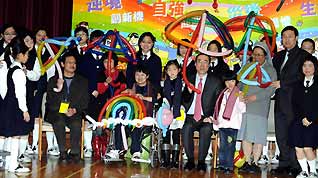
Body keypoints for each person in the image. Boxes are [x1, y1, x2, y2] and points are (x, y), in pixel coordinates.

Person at [271, 26, 311, 176]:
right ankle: (284, 163)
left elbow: (303, 76)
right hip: (279, 100)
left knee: (293, 133)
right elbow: (271, 74)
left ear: (296, 38)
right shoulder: (278, 56)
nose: (287, 39)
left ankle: (296, 165)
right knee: (280, 134)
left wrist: (283, 83)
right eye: (284, 36)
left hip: (294, 101)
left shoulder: (303, 56)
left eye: (290, 36)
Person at [237, 42, 277, 173]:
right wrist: (240, 94)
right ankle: (247, 161)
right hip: (246, 106)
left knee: (258, 136)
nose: (257, 57)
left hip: (260, 106)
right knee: (246, 135)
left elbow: (270, 90)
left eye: (260, 55)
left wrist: (255, 97)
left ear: (265, 56)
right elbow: (240, 84)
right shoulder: (247, 67)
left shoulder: (271, 70)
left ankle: (255, 162)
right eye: (255, 54)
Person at [182, 53, 222, 172]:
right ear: (195, 64)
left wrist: (211, 117)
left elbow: (218, 102)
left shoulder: (215, 81)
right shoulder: (188, 78)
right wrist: (188, 92)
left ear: (209, 65)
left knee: (206, 129)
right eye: (199, 61)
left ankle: (201, 161)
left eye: (205, 62)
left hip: (206, 116)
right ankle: (190, 160)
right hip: (190, 114)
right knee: (187, 128)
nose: (202, 64)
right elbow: (184, 99)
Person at [46, 52, 89, 163]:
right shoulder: (53, 80)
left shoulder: (82, 81)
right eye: (69, 62)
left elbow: (85, 100)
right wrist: (63, 109)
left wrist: (75, 110)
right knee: (59, 121)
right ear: (62, 64)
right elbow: (50, 100)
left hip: (74, 111)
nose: (72, 65)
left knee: (76, 124)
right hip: (57, 111)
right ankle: (63, 151)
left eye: (74, 63)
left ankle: (75, 152)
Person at [111, 64, 160, 160]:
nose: (140, 77)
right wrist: (124, 94)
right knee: (118, 124)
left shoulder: (153, 87)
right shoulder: (132, 87)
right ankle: (116, 150)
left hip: (146, 119)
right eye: (137, 75)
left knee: (136, 124)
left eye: (142, 75)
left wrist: (144, 98)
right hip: (131, 116)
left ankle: (136, 151)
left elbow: (158, 99)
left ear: (147, 76)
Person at [0, 37, 31, 173]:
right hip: (16, 106)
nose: (28, 57)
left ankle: (8, 164)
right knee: (16, 135)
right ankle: (13, 165)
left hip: (8, 104)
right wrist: (25, 110)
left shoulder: (11, 68)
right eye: (27, 54)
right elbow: (20, 93)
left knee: (11, 135)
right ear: (21, 55)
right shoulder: (18, 72)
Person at [288, 56, 318, 178]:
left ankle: (313, 171)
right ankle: (304, 171)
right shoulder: (297, 85)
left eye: (310, 65)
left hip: (314, 121)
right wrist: (302, 118)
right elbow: (294, 104)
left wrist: (310, 118)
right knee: (298, 148)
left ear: (315, 68)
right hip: (299, 120)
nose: (307, 68)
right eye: (305, 65)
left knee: (307, 147)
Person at [212, 70, 246, 174]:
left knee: (230, 146)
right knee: (222, 146)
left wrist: (241, 99)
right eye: (227, 81)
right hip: (223, 125)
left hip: (233, 125)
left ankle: (229, 166)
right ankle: (222, 165)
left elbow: (243, 109)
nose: (229, 84)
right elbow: (218, 108)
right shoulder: (223, 93)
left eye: (232, 81)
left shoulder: (238, 93)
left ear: (236, 81)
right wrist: (216, 122)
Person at [161, 60, 183, 169]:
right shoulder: (164, 83)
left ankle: (174, 161)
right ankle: (165, 160)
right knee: (165, 134)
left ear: (179, 70)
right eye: (169, 70)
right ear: (166, 71)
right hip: (166, 111)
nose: (172, 72)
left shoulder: (182, 82)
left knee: (175, 134)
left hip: (178, 111)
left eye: (174, 69)